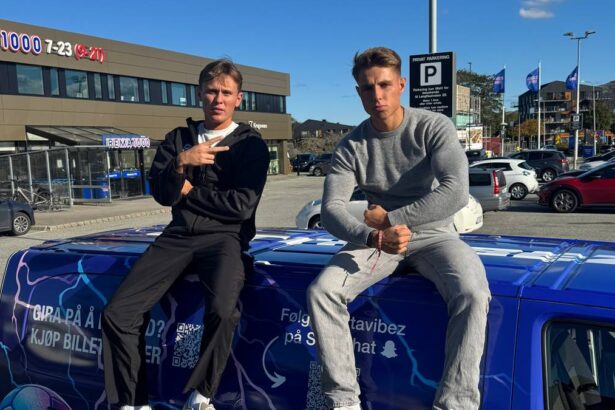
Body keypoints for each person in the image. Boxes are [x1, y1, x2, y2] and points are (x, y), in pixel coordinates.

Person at [306, 47, 491, 410]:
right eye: (367, 87)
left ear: (401, 84)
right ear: (358, 92)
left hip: (435, 236)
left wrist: (390, 219)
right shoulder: (351, 146)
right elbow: (331, 210)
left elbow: (456, 191)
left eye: (385, 85)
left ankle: (456, 404)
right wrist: (374, 235)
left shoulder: (433, 126)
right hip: (378, 243)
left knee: (473, 293)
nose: (377, 95)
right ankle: (343, 402)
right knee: (321, 292)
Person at [101, 59, 270, 410]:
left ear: (238, 98)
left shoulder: (251, 145)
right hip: (178, 235)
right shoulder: (179, 139)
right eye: (211, 91)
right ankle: (132, 402)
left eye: (226, 93)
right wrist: (181, 163)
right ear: (199, 94)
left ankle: (202, 395)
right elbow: (163, 194)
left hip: (225, 238)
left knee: (224, 311)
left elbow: (241, 207)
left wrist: (190, 193)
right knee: (118, 312)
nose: (218, 99)